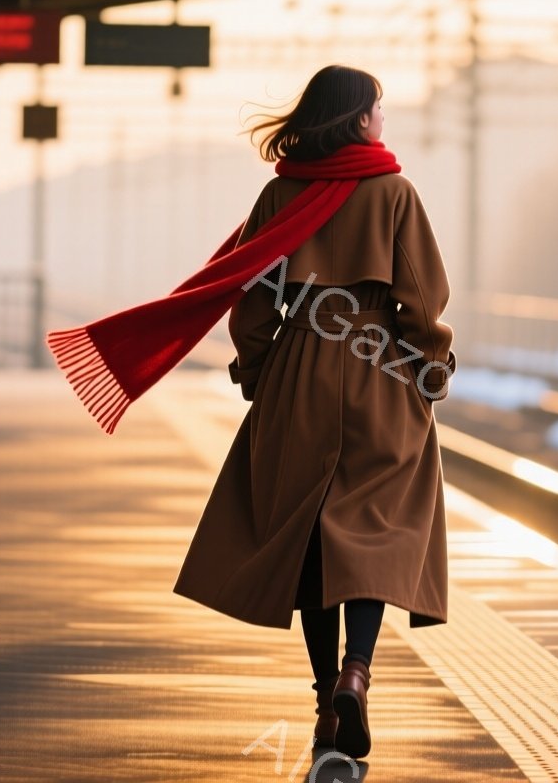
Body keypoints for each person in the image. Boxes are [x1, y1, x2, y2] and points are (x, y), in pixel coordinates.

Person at [169, 65, 458, 761]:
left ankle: (327, 697)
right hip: (379, 372)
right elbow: (421, 298)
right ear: (358, 118)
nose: (383, 119)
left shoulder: (280, 194)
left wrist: (259, 373)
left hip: (298, 370)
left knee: (307, 535)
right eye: (378, 108)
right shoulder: (394, 193)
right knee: (374, 531)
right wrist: (429, 366)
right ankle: (358, 672)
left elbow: (251, 300)